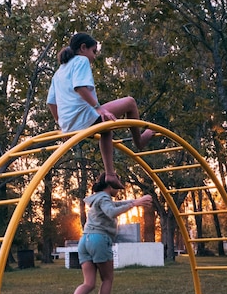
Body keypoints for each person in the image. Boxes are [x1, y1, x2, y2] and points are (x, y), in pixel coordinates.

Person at [47, 32, 155, 189]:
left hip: (70, 125)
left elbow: (51, 103)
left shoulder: (58, 72)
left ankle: (110, 174)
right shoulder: (81, 60)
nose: (94, 56)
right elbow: (80, 87)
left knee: (106, 127)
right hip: (84, 119)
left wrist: (62, 124)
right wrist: (99, 108)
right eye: (94, 51)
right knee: (130, 102)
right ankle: (139, 141)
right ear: (83, 48)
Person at [61, 172, 153, 294]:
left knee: (89, 283)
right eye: (118, 182)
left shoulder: (99, 197)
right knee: (107, 279)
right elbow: (112, 212)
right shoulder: (104, 198)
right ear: (110, 184)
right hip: (99, 239)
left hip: (85, 241)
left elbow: (116, 205)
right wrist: (134, 204)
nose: (120, 187)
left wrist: (136, 201)